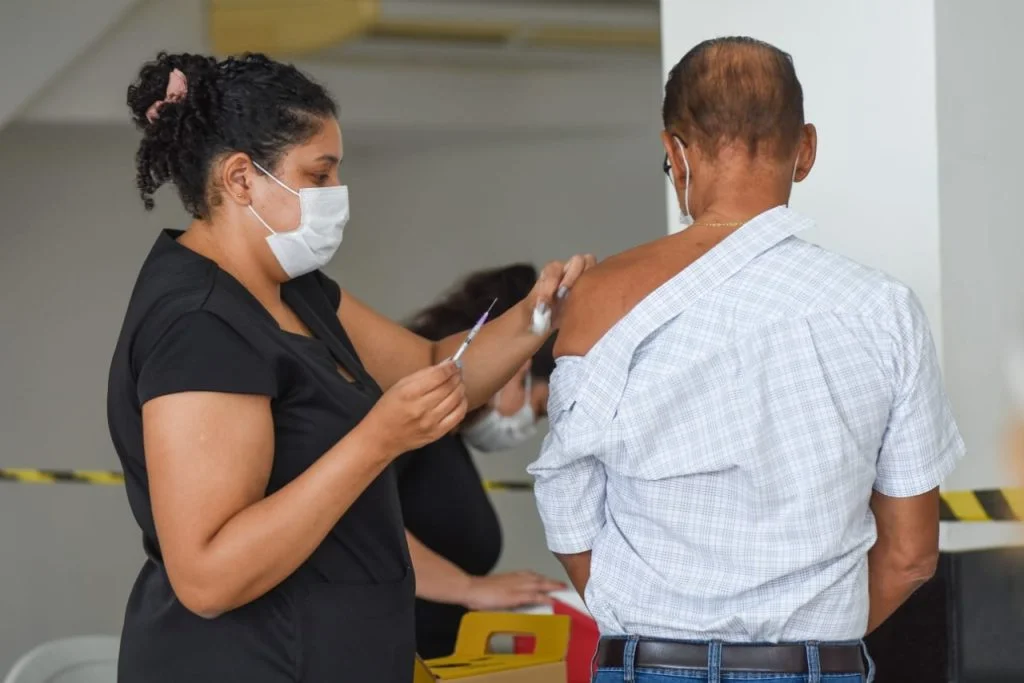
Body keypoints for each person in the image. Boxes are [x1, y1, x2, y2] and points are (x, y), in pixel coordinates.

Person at [106, 52, 594, 683]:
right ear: (240, 179)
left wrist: (538, 317)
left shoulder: (297, 289)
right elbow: (208, 576)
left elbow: (430, 366)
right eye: (320, 174)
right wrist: (377, 440)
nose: (337, 196)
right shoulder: (198, 324)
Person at [528, 37, 965, 683]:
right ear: (806, 148)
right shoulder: (882, 309)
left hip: (648, 662)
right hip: (818, 665)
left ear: (674, 152)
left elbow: (569, 513)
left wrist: (661, 619)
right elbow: (910, 556)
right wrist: (806, 640)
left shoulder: (596, 297)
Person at [397, 264, 565, 659]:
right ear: (516, 369)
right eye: (538, 409)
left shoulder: (445, 439)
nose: (529, 425)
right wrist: (468, 589)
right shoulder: (407, 421)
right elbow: (358, 526)